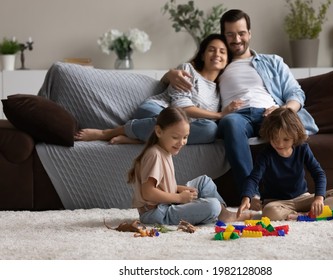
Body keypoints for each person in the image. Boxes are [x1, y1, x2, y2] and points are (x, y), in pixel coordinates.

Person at [162, 9, 319, 209]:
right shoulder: (218, 62)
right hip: (237, 116)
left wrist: (283, 111)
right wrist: (169, 74)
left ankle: (298, 196)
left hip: (270, 113)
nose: (236, 39)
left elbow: (296, 93)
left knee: (288, 126)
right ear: (223, 35)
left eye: (241, 33)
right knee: (228, 122)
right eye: (230, 34)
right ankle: (251, 196)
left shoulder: (272, 61)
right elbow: (187, 75)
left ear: (249, 33)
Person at [74, 33, 235, 145]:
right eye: (211, 49)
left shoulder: (220, 91)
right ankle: (106, 133)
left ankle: (138, 140)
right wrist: (219, 114)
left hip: (180, 130)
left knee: (210, 130)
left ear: (228, 59)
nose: (217, 54)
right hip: (157, 110)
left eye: (222, 51)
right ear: (202, 55)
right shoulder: (187, 70)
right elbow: (180, 106)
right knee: (171, 123)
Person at [128, 106, 257, 225]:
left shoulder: (164, 151)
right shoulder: (154, 154)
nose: (181, 142)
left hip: (165, 204)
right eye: (175, 137)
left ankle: (223, 214)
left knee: (204, 182)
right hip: (156, 213)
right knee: (213, 206)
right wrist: (179, 197)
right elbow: (148, 192)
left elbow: (161, 186)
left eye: (185, 137)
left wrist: (178, 189)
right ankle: (219, 212)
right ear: (159, 132)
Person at [236, 107, 333, 221]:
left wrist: (319, 198)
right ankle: (306, 214)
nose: (279, 144)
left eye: (285, 139)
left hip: (302, 198)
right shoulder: (266, 155)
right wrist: (247, 198)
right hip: (278, 203)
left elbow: (318, 173)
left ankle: (302, 214)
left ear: (295, 136)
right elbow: (253, 179)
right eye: (275, 138)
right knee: (269, 212)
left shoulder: (303, 148)